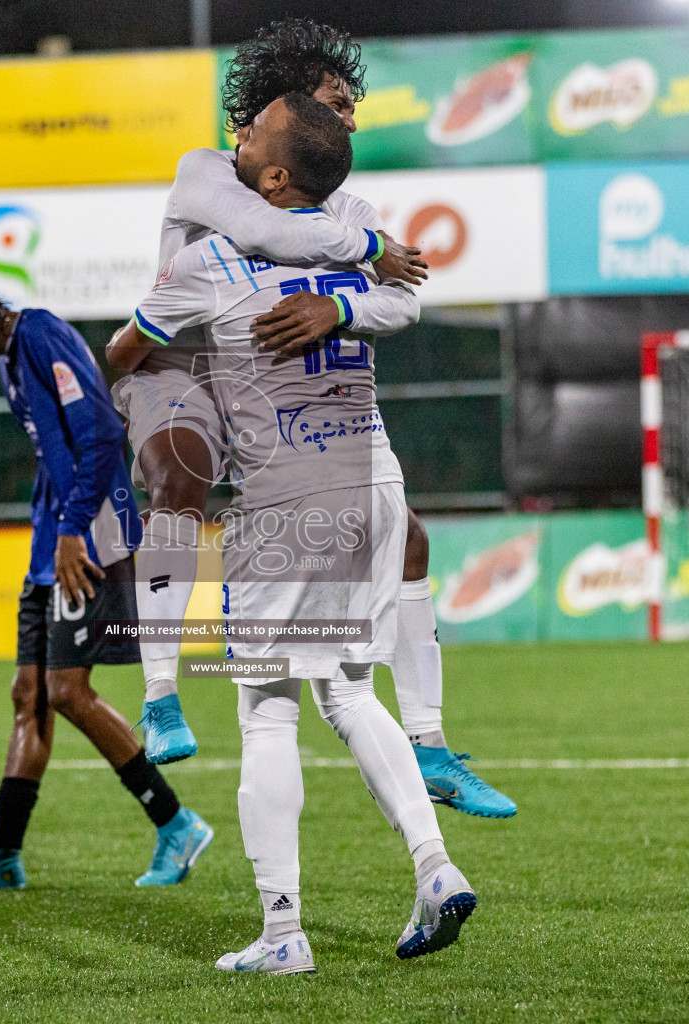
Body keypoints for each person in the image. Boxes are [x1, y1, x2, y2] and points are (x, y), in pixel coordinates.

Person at [114, 15, 515, 820]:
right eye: (336, 102)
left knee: (408, 539)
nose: (351, 121)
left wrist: (343, 311)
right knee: (178, 491)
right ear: (285, 106)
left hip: (275, 383)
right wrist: (364, 249)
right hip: (186, 365)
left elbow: (402, 300)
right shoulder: (207, 170)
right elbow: (267, 228)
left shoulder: (341, 199)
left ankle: (432, 747)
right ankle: (161, 697)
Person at [115, 92, 476, 973]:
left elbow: (124, 352)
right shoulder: (357, 262)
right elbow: (401, 294)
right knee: (350, 691)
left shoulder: (211, 259)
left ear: (274, 178)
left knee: (266, 712)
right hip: (375, 489)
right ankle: (435, 869)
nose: (237, 139)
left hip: (288, 504)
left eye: (255, 135)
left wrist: (134, 383)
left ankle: (283, 935)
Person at [0, 254, 213, 890]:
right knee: (29, 693)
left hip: (91, 535)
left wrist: (72, 531)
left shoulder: (41, 335)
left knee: (67, 691)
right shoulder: (12, 359)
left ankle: (177, 824)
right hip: (55, 541)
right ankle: (1, 855)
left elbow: (101, 433)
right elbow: (57, 453)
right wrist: (49, 533)